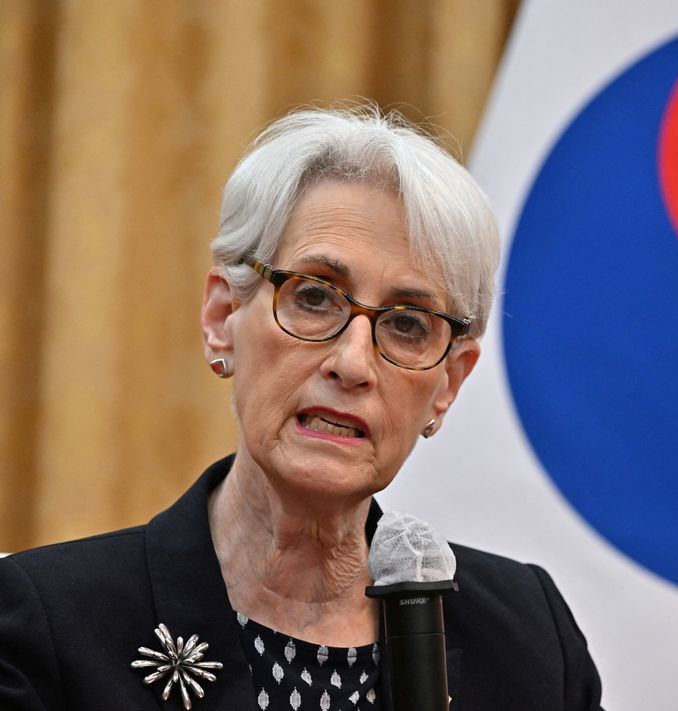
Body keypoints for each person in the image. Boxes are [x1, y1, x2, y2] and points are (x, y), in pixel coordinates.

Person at [0, 105, 603, 710]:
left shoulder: (530, 640)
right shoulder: (46, 623)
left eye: (407, 324)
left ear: (448, 382)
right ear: (222, 318)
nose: (353, 363)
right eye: (314, 297)